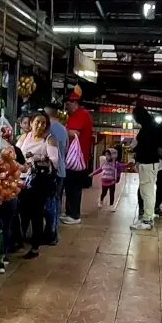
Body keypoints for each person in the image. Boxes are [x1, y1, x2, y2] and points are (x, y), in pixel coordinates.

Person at [16, 112, 60, 259]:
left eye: (43, 123)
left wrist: (36, 160)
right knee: (22, 212)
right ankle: (19, 241)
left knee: (36, 213)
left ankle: (35, 247)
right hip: (22, 181)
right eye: (37, 122)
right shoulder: (24, 137)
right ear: (31, 123)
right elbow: (15, 154)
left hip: (40, 182)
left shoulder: (49, 140)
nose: (40, 126)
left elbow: (55, 162)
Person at [0, 117, 24, 272]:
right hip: (11, 193)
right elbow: (25, 167)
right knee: (6, 226)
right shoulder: (14, 149)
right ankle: (3, 256)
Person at [130, 106, 162, 230]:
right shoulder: (152, 127)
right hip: (148, 162)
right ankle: (147, 217)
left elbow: (145, 145)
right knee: (145, 190)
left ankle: (147, 220)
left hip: (149, 162)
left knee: (147, 191)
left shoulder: (150, 129)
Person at [62, 94, 93, 225]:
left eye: (68, 105)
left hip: (76, 159)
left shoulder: (81, 114)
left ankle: (74, 215)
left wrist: (58, 128)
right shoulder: (77, 114)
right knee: (70, 185)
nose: (66, 108)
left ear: (75, 103)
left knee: (74, 186)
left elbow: (75, 133)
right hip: (74, 157)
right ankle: (70, 212)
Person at [44, 104, 67, 244]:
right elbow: (66, 149)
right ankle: (54, 231)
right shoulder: (64, 129)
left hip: (51, 171)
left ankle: (50, 233)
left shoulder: (47, 127)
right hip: (61, 170)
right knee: (56, 201)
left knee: (49, 203)